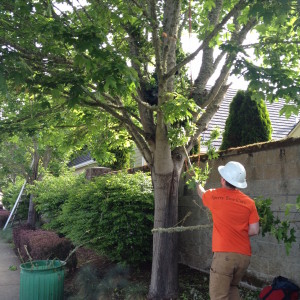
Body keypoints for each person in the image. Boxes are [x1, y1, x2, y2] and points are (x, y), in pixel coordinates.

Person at [196, 161, 260, 300]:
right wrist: (238, 232)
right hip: (244, 257)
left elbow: (201, 193)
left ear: (223, 179)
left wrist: (197, 183)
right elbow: (254, 230)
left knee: (218, 296)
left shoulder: (215, 196)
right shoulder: (249, 202)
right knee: (232, 289)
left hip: (225, 256)